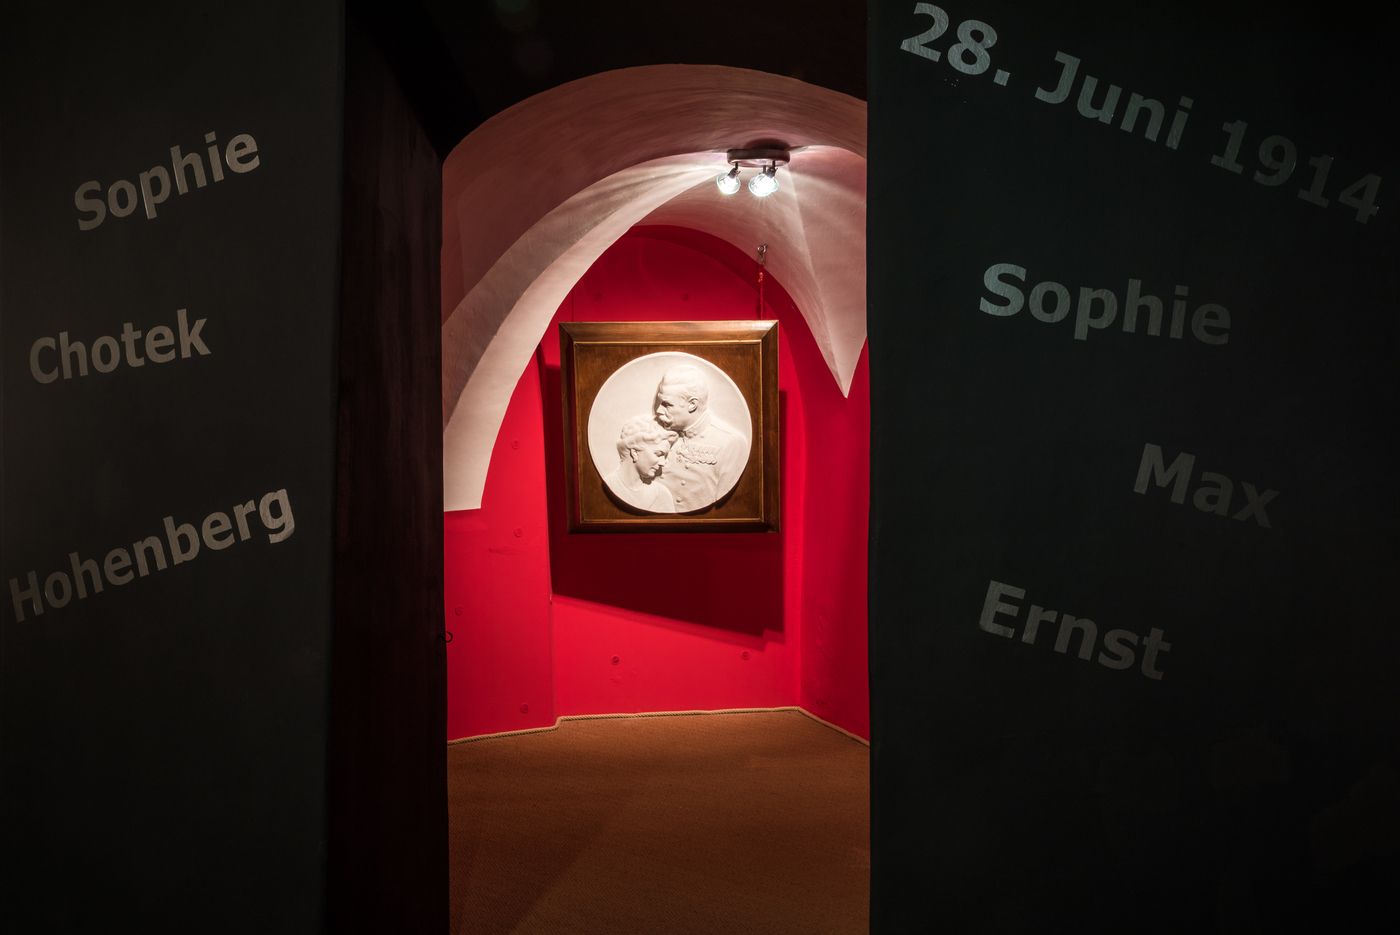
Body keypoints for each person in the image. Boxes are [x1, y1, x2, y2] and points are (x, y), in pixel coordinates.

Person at [652, 363, 750, 512]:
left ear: (692, 405)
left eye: (667, 404)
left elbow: (724, 506)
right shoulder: (651, 429)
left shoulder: (730, 443)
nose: (659, 410)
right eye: (660, 402)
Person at [601, 415, 678, 513]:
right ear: (634, 453)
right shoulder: (607, 487)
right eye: (658, 454)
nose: (663, 463)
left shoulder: (661, 494)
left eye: (665, 456)